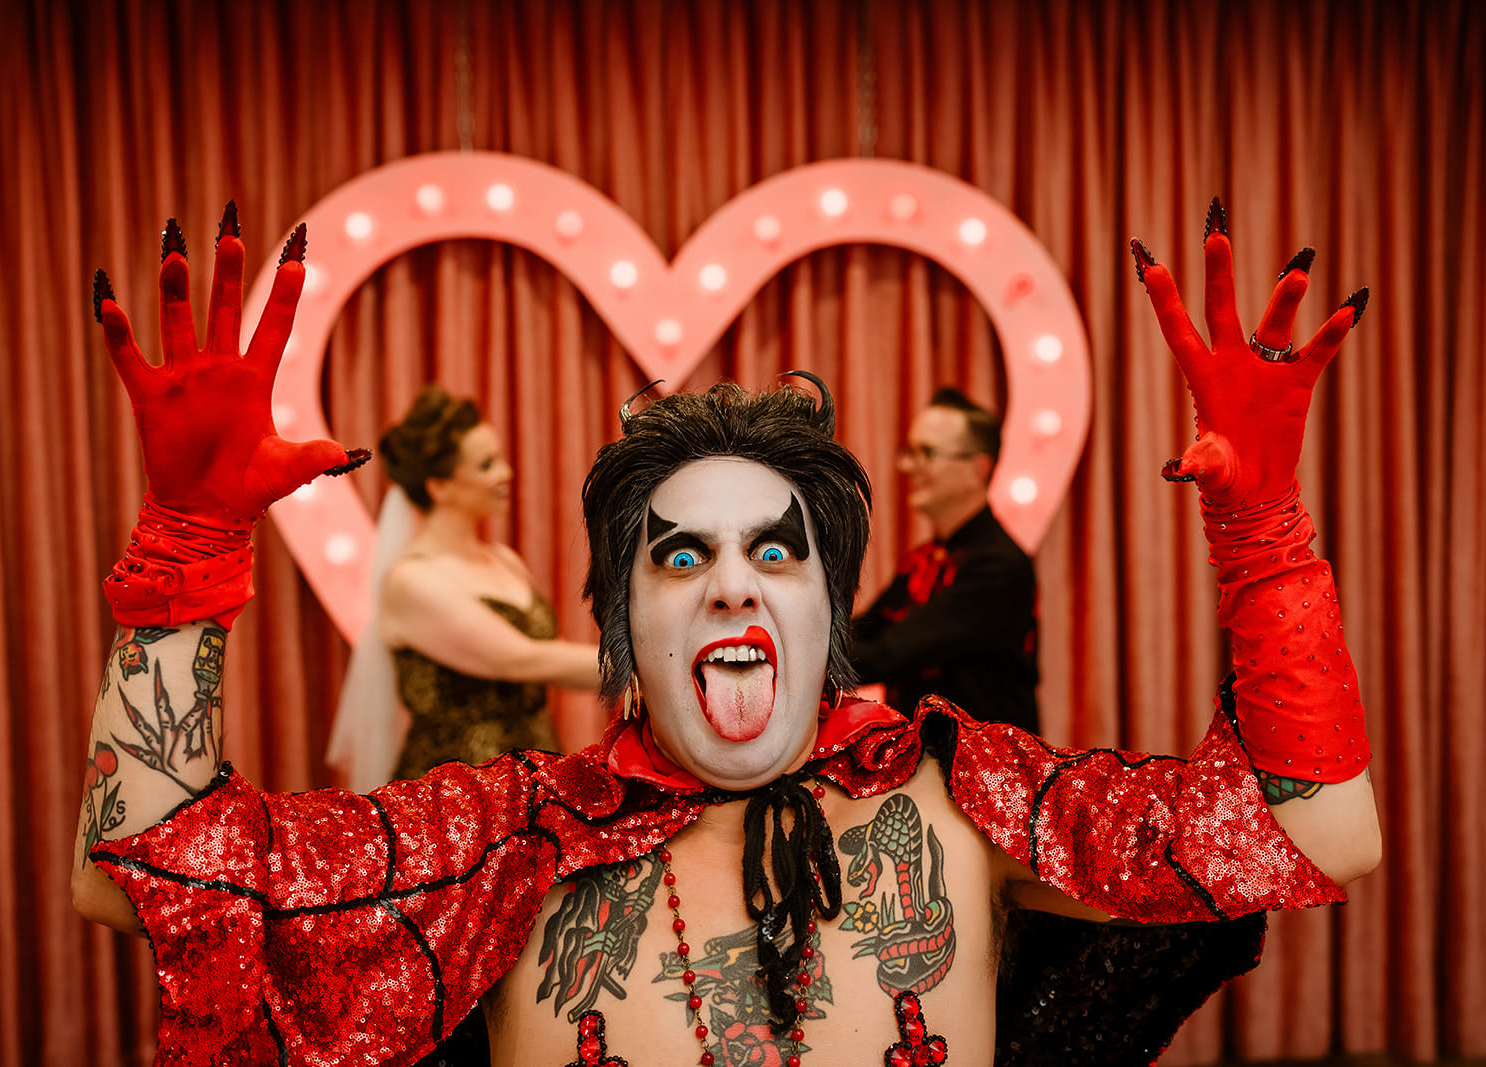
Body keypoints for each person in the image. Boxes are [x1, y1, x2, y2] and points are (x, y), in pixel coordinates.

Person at [71, 200, 1379, 1066]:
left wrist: (1265, 534)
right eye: (679, 553)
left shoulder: (969, 797)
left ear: (830, 615)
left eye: (778, 551)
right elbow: (142, 868)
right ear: (621, 627)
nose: (733, 584)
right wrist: (186, 547)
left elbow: (1322, 829)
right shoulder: (511, 835)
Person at [326, 386, 603, 792]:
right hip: (456, 799)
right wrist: (651, 669)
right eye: (487, 465)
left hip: (538, 776)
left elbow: (550, 656)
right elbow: (524, 660)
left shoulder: (505, 560)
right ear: (439, 486)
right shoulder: (412, 581)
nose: (506, 473)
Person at [851, 389, 1039, 734]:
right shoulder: (922, 560)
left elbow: (889, 653)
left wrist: (803, 660)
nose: (908, 466)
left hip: (984, 772)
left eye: (927, 453)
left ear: (977, 470)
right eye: (909, 452)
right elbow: (866, 630)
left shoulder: (998, 567)